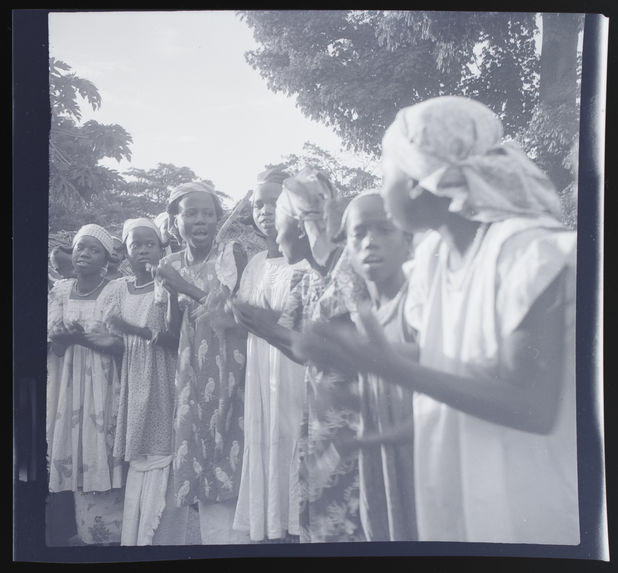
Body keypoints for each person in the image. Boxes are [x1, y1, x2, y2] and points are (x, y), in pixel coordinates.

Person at [293, 96, 580, 545]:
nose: (381, 187)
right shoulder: (433, 261)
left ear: (416, 181)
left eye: (386, 173)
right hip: (460, 478)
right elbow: (450, 360)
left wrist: (386, 364)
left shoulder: (528, 253)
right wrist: (356, 353)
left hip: (533, 490)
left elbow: (532, 405)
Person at [232, 167, 365, 543]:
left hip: (356, 423)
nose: (272, 232)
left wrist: (266, 326)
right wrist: (258, 324)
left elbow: (348, 353)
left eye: (276, 219)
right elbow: (299, 348)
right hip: (320, 421)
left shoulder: (348, 269)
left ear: (301, 222)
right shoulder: (309, 278)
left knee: (349, 527)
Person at [154, 180, 249, 545]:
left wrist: (183, 285)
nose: (200, 220)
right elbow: (172, 331)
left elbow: (228, 310)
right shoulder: (169, 264)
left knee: (234, 445)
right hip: (193, 372)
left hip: (233, 366)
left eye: (207, 213)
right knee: (201, 451)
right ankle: (217, 543)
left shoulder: (231, 253)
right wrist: (170, 291)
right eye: (190, 213)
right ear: (174, 221)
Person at [332, 191, 418, 542]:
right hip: (381, 466)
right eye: (360, 233)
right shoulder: (366, 317)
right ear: (348, 249)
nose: (371, 242)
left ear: (408, 241)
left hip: (421, 462)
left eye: (385, 230)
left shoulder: (418, 306)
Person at [231, 168, 309, 543]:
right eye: (258, 204)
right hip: (261, 366)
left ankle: (297, 524)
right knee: (267, 433)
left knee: (293, 432)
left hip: (293, 363)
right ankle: (274, 526)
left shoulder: (307, 262)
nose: (263, 211)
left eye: (273, 202)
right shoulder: (256, 263)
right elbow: (242, 318)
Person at [105, 217, 184, 546]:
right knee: (139, 456)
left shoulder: (166, 286)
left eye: (149, 243)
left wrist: (135, 330)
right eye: (135, 244)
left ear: (161, 248)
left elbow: (175, 338)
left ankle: (164, 537)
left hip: (164, 376)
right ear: (125, 251)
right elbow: (113, 338)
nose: (142, 249)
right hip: (134, 377)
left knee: (164, 451)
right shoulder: (118, 289)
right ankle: (136, 539)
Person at [46, 223, 125, 545]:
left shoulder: (115, 289)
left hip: (103, 383)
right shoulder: (61, 290)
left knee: (102, 444)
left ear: (106, 258)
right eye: (80, 247)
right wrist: (65, 338)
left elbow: (119, 342)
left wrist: (86, 339)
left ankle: (115, 537)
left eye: (94, 250)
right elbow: (55, 340)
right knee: (75, 446)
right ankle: (85, 534)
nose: (84, 254)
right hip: (69, 382)